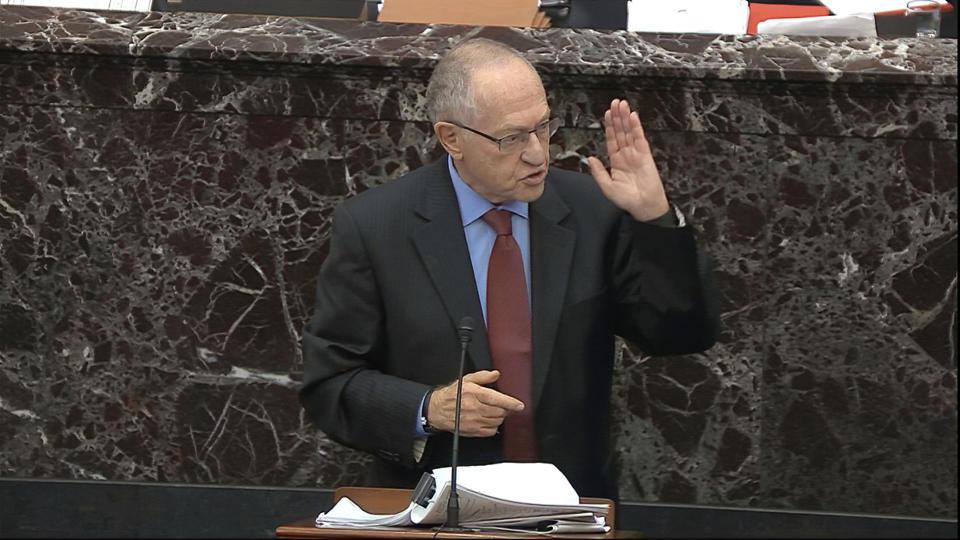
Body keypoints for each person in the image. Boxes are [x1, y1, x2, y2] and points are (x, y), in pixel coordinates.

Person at [299, 38, 718, 498]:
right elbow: (331, 383)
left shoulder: (592, 211)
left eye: (543, 128)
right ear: (451, 138)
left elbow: (681, 335)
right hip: (439, 512)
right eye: (512, 137)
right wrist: (428, 407)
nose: (538, 153)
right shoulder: (376, 227)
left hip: (571, 508)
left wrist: (656, 219)